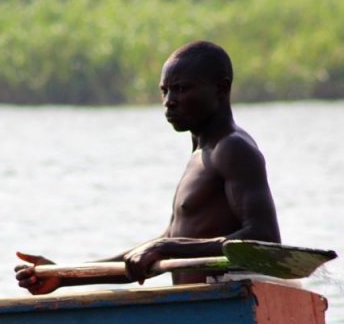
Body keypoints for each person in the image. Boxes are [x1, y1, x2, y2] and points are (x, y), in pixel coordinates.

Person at [15, 41, 280, 295]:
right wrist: (65, 275)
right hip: (195, 314)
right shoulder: (200, 152)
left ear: (221, 89)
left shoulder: (233, 148)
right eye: (164, 91)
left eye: (181, 89)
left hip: (227, 311)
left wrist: (166, 247)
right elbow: (169, 245)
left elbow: (264, 239)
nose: (169, 101)